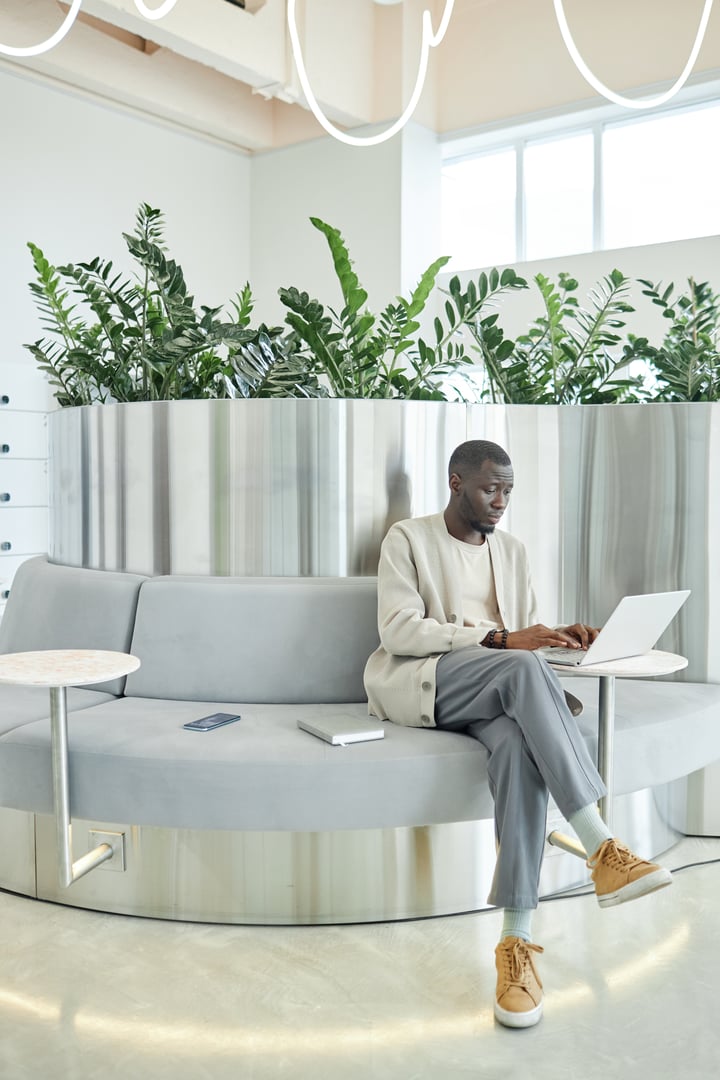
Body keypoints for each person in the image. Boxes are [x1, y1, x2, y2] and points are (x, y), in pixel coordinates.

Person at [363, 439, 672, 1029]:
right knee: (520, 669)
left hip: (499, 687)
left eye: (508, 490)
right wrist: (504, 641)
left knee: (515, 745)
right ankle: (601, 844)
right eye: (490, 489)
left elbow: (522, 636)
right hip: (428, 680)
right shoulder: (409, 538)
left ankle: (515, 944)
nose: (501, 501)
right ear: (456, 483)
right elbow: (399, 631)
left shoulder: (512, 551)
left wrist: (559, 637)